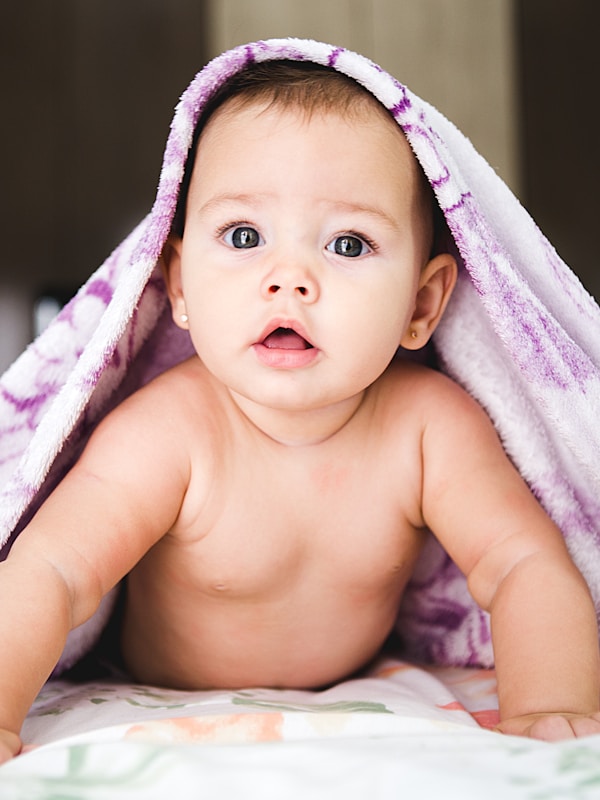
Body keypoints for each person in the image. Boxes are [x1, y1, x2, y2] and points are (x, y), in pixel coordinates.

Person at [0, 60, 598, 762]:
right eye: (245, 236)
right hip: (162, 687)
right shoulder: (167, 433)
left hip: (361, 679)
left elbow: (522, 563)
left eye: (347, 244)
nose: (289, 279)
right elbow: (56, 573)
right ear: (179, 284)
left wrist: (553, 707)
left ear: (421, 305)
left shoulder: (430, 429)